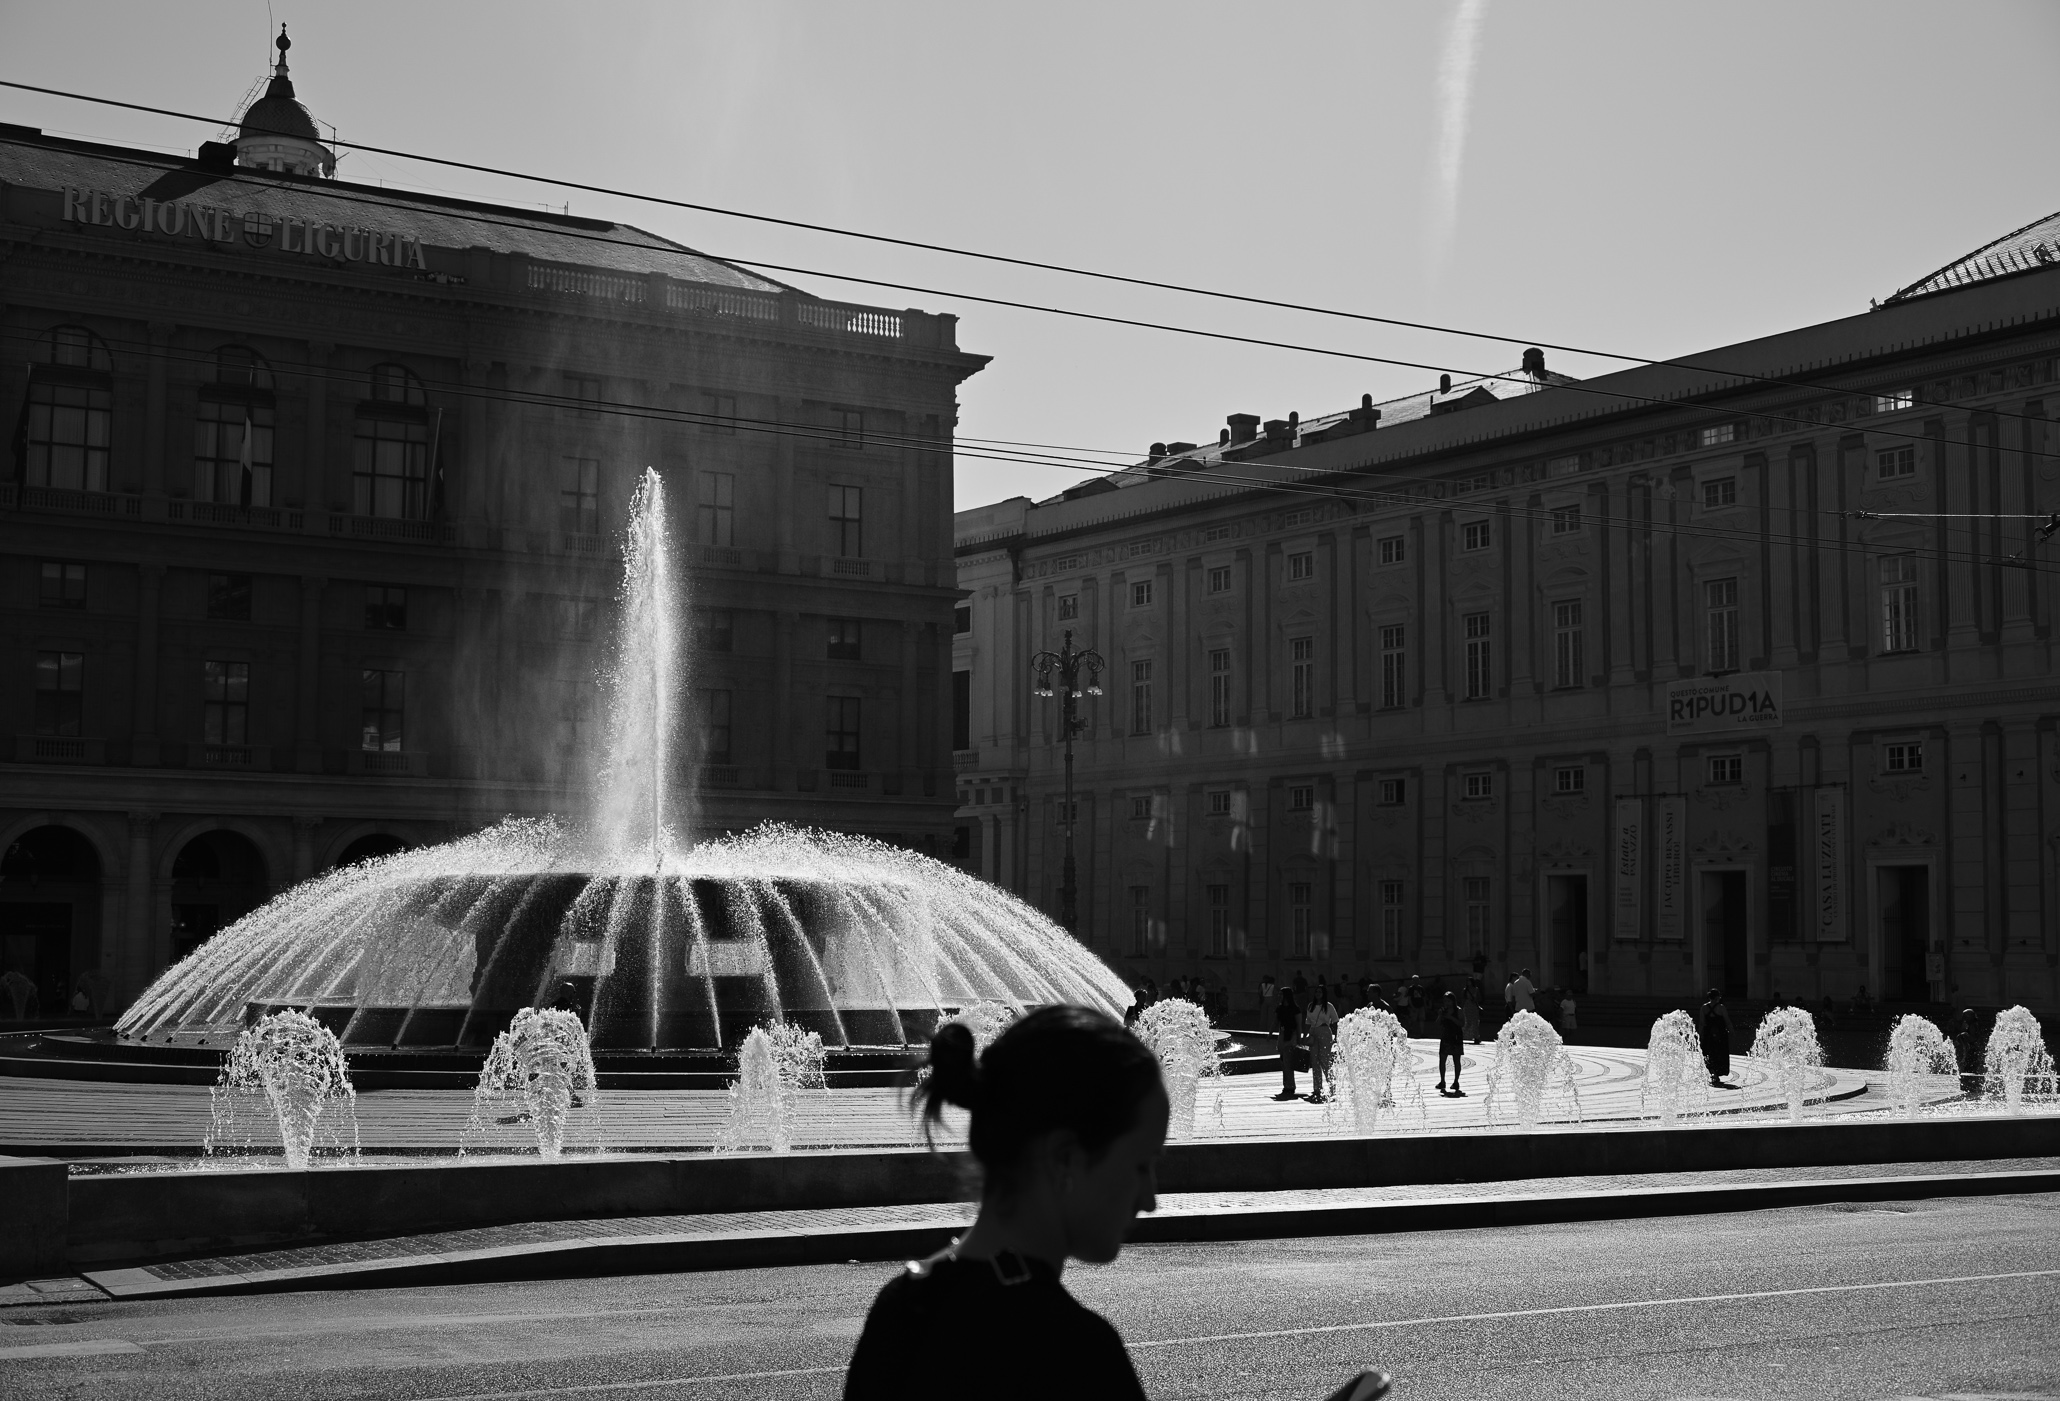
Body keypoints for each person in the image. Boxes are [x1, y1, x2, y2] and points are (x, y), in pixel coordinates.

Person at [845, 1007, 1162, 1400]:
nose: (1150, 1200)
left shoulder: (899, 1311)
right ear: (1065, 1159)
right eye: (1141, 1165)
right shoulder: (1074, 1356)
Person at [1305, 985, 1339, 1104]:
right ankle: (1317, 1088)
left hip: (1325, 1032)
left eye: (1320, 992)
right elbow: (1308, 1022)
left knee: (1325, 1060)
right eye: (1316, 991)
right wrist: (1305, 1036)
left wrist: (1337, 1036)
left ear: (1324, 993)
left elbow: (1335, 1021)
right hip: (1313, 1033)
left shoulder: (1329, 1006)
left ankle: (1332, 1087)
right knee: (1314, 1061)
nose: (1318, 993)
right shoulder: (1310, 1006)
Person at [1273, 983, 1303, 1101]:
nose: (1279, 996)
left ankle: (1290, 1086)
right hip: (1282, 1035)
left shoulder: (1295, 1009)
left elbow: (1299, 1025)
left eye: (1281, 994)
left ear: (1286, 996)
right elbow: (1275, 1022)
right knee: (1284, 1062)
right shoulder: (1280, 1008)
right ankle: (1287, 1085)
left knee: (1288, 1062)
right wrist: (1270, 1034)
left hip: (1292, 1036)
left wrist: (1299, 1039)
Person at [1701, 988, 1735, 1089]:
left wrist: (1701, 1035)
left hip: (1708, 1035)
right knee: (1720, 1054)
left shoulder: (1704, 1008)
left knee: (1709, 1054)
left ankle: (1713, 1073)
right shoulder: (1721, 1007)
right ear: (1717, 997)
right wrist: (1732, 1032)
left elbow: (1702, 1023)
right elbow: (1727, 1021)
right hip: (1720, 1036)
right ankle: (1717, 1073)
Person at [1435, 992, 1466, 1097]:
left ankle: (1456, 1081)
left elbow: (1462, 1024)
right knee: (1442, 1059)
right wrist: (1440, 1015)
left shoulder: (1459, 1010)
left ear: (1453, 1001)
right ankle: (1442, 1081)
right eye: (1445, 1001)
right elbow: (1437, 1024)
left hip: (1456, 1037)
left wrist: (1450, 1017)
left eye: (1448, 1001)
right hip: (1445, 1036)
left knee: (1456, 1060)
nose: (1446, 1003)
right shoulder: (1443, 1011)